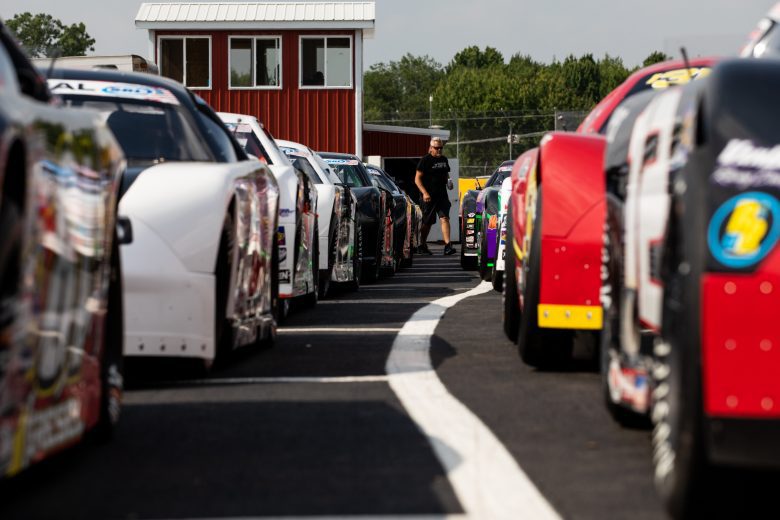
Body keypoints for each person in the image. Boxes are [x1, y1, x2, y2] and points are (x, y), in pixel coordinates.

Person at [415, 137, 456, 255]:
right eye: (436, 148)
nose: (439, 150)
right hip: (429, 196)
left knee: (444, 218)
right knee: (427, 222)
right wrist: (425, 193)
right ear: (431, 148)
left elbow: (446, 173)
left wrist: (449, 181)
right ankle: (422, 244)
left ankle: (448, 245)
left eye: (441, 148)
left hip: (442, 195)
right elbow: (417, 179)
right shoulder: (425, 160)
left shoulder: (444, 159)